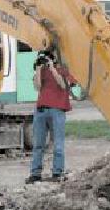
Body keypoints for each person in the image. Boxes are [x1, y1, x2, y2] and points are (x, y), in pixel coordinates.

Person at [28, 50, 78, 184]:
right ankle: (35, 173)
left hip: (57, 110)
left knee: (58, 144)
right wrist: (38, 69)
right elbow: (38, 87)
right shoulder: (42, 70)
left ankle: (57, 172)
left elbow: (63, 85)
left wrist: (53, 68)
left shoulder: (64, 69)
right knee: (38, 144)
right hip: (41, 109)